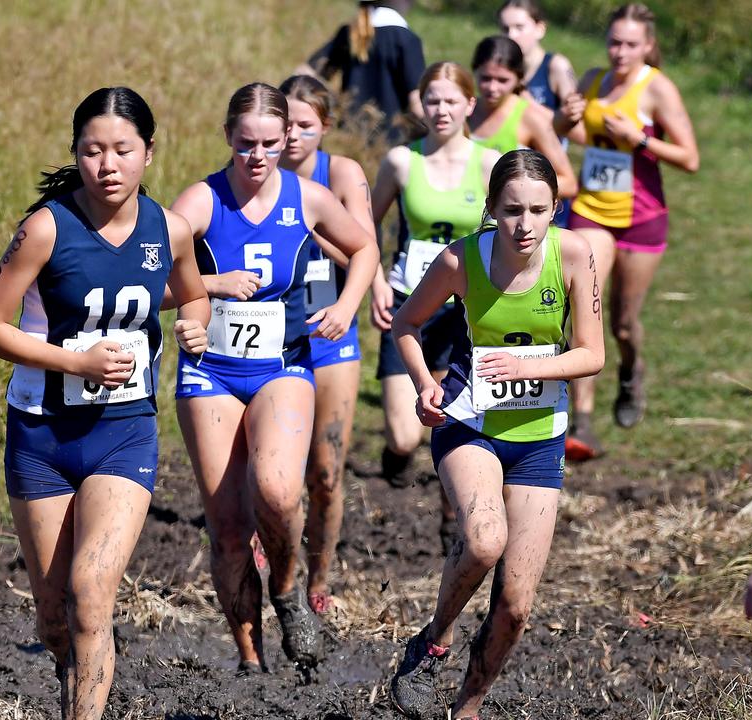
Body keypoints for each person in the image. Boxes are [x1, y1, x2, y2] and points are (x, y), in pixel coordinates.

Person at [0, 87, 209, 720]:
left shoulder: (171, 229)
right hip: (42, 435)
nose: (108, 166)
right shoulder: (46, 228)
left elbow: (192, 294)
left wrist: (197, 323)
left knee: (92, 589)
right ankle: (80, 670)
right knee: (55, 619)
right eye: (93, 151)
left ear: (149, 153)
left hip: (123, 432)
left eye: (122, 151)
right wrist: (75, 362)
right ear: (75, 153)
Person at [388, 149, 604, 720]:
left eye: (538, 210)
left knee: (515, 606)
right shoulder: (460, 261)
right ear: (490, 210)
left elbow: (592, 354)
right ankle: (432, 642)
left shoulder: (575, 255)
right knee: (484, 540)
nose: (525, 225)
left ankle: (468, 708)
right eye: (511, 211)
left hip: (539, 435)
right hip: (469, 422)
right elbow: (406, 325)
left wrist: (528, 368)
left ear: (555, 209)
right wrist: (423, 386)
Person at [172, 82, 378, 673]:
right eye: (244, 145)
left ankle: (287, 590)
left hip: (283, 363)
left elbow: (363, 251)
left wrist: (345, 308)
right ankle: (251, 662)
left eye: (268, 143)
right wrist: (207, 287)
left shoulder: (308, 198)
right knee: (229, 530)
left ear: (287, 137)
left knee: (280, 490)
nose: (256, 157)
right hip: (209, 371)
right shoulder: (201, 202)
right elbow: (149, 275)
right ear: (227, 138)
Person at [558, 2, 699, 459]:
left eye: (630, 44)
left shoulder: (657, 89)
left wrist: (639, 138)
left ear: (648, 46)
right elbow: (575, 136)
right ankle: (583, 421)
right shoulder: (594, 81)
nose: (620, 52)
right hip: (593, 209)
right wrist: (566, 117)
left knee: (621, 321)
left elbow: (690, 158)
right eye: (614, 42)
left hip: (641, 217)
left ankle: (631, 369)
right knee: (587, 310)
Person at [369, 62, 500, 551]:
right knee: (405, 435)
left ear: (470, 105)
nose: (440, 110)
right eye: (432, 101)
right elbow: (364, 228)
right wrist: (376, 281)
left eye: (450, 101)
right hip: (409, 305)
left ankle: (452, 520)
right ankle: (397, 456)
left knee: (454, 415)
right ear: (420, 105)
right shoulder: (402, 161)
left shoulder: (490, 164)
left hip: (464, 311)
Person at [278, 74, 377, 615]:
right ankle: (274, 556)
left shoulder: (340, 174)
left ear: (325, 127)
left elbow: (362, 252)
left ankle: (321, 575)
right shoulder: (255, 174)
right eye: (284, 124)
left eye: (305, 126)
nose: (292, 136)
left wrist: (311, 233)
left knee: (324, 469)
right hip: (272, 338)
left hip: (331, 335)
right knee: (275, 469)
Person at [468, 36, 578, 202]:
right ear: (474, 71)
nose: (492, 88)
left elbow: (569, 183)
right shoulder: (464, 112)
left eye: (503, 80)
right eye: (485, 78)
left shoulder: (531, 118)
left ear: (519, 78)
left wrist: (517, 189)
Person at [298, 0, 426, 142]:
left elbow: (303, 74)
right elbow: (417, 104)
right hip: (390, 144)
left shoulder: (350, 33)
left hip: (349, 138)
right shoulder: (406, 39)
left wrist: (335, 103)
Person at [498, 0, 579, 119]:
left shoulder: (556, 66)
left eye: (519, 27)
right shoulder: (500, 70)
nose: (511, 35)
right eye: (505, 29)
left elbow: (577, 127)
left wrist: (530, 105)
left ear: (540, 29)